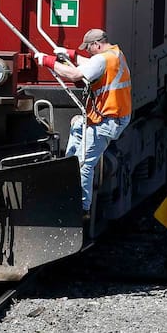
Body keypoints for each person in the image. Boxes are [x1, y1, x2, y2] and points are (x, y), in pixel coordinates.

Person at [36, 28, 132, 220]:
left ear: (96, 45)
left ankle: (82, 208)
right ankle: (67, 175)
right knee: (77, 124)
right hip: (112, 117)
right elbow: (91, 64)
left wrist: (47, 61)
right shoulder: (115, 54)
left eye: (88, 48)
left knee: (84, 164)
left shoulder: (102, 59)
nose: (88, 52)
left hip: (107, 121)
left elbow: (74, 75)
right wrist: (71, 54)